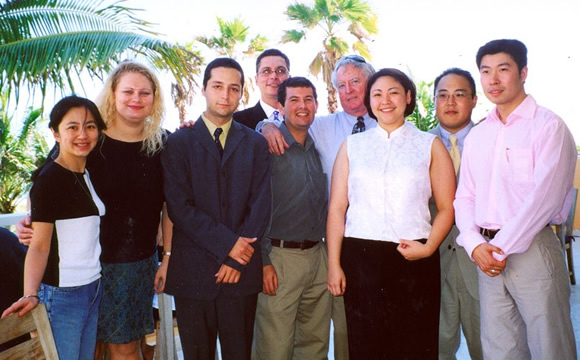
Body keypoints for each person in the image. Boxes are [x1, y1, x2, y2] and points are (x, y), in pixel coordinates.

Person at [17, 61, 172, 360]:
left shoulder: (164, 144)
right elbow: (50, 180)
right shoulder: (89, 138)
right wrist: (30, 221)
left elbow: (171, 208)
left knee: (126, 350)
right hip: (82, 270)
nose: (135, 99)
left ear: (155, 98)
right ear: (112, 94)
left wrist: (167, 258)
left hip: (134, 265)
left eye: (144, 92)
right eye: (127, 91)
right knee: (88, 351)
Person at [455, 39, 577, 359]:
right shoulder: (478, 134)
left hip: (532, 250)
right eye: (485, 71)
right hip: (486, 255)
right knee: (500, 348)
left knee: (550, 346)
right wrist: (474, 244)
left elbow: (545, 199)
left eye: (503, 70)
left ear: (523, 73)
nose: (493, 80)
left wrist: (499, 248)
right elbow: (465, 195)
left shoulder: (549, 127)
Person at [326, 68, 456, 359]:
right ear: (369, 101)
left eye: (393, 92)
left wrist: (429, 248)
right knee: (367, 346)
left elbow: (447, 206)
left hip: (413, 257)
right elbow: (337, 208)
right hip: (361, 260)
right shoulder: (352, 146)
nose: (385, 100)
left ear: (408, 97)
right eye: (377, 94)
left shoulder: (429, 145)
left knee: (414, 344)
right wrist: (334, 264)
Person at [260, 55, 376, 360]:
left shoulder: (316, 139)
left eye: (355, 82)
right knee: (276, 343)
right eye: (341, 85)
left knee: (316, 341)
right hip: (292, 253)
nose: (349, 90)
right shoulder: (314, 130)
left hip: (335, 251)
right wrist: (265, 125)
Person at [161, 57, 271, 360]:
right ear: (204, 89)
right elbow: (179, 208)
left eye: (233, 88)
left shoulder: (255, 144)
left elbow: (260, 205)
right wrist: (228, 246)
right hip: (193, 275)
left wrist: (237, 259)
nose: (225, 95)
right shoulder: (178, 143)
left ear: (241, 93)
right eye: (218, 86)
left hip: (241, 273)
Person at [3, 96, 107, 359]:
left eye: (90, 126)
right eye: (72, 127)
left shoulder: (88, 172)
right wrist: (30, 293)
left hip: (92, 287)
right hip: (63, 295)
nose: (82, 134)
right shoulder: (49, 180)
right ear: (55, 133)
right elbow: (39, 245)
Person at [253, 77, 331, 360]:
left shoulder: (318, 145)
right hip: (280, 259)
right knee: (274, 347)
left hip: (317, 257)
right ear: (280, 106)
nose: (302, 106)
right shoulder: (266, 146)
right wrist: (264, 263)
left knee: (315, 344)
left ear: (316, 105)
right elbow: (254, 207)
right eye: (294, 100)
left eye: (308, 99)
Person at [430, 68, 482, 360]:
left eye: (459, 95)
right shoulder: (417, 145)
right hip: (433, 267)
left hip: (481, 267)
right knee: (435, 348)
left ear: (474, 100)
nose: (450, 102)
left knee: (489, 348)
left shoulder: (491, 141)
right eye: (443, 95)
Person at [233, 49, 290, 129]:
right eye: (266, 71)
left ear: (289, 78)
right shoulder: (237, 121)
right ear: (256, 80)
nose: (273, 76)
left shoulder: (303, 118)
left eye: (280, 71)